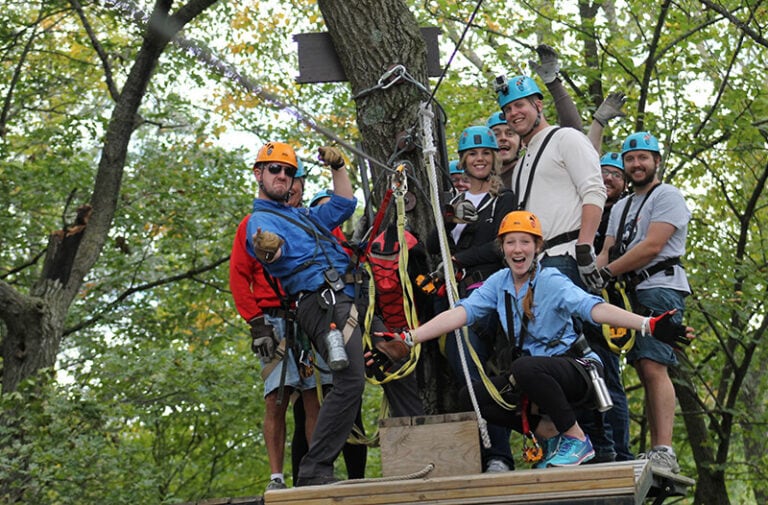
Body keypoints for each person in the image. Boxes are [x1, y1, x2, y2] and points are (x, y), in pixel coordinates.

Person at [371, 210, 691, 468]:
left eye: (525, 242)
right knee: (475, 393)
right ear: (503, 249)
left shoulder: (550, 280)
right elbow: (459, 314)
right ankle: (549, 434)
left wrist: (647, 325)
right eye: (510, 243)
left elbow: (594, 309)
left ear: (537, 247)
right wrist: (408, 339)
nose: (517, 249)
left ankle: (576, 439)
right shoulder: (499, 283)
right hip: (538, 376)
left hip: (577, 370)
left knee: (525, 367)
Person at [245, 141, 423, 487]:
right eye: (275, 170)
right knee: (350, 382)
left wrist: (338, 167)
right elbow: (269, 249)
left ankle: (414, 450)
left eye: (288, 171)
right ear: (259, 174)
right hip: (323, 302)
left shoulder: (303, 216)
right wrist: (269, 249)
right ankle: (315, 468)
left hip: (354, 296)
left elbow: (343, 204)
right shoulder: (262, 220)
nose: (283, 176)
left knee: (397, 358)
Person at [496, 73, 613, 460]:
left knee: (594, 359)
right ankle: (582, 448)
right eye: (508, 109)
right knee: (562, 366)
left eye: (520, 105)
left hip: (567, 256)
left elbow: (593, 188)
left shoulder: (566, 138)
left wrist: (585, 245)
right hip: (542, 268)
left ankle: (614, 452)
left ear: (538, 105)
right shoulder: (527, 156)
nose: (514, 113)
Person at [597, 132, 692, 473]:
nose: (637, 164)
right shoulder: (621, 206)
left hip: (660, 286)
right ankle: (655, 450)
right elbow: (607, 249)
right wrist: (586, 280)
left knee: (654, 364)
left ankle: (664, 448)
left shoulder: (667, 196)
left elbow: (652, 246)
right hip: (628, 293)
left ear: (657, 161)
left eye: (643, 158)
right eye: (631, 159)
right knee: (641, 364)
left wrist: (606, 272)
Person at [230, 164, 329, 492]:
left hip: (309, 313)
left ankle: (316, 471)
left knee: (314, 395)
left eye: (295, 182)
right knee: (277, 396)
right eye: (280, 177)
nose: (289, 186)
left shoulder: (306, 222)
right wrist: (256, 322)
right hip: (272, 319)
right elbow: (239, 276)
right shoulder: (252, 225)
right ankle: (276, 476)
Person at [426, 125, 517, 473]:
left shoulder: (503, 199)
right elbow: (434, 244)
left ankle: (498, 456)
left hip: (484, 290)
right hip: (448, 295)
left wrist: (459, 259)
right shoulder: (453, 200)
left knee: (479, 369)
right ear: (464, 160)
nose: (479, 159)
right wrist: (450, 218)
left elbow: (499, 246)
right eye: (472, 154)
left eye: (485, 153)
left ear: (494, 158)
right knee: (464, 372)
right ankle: (483, 454)